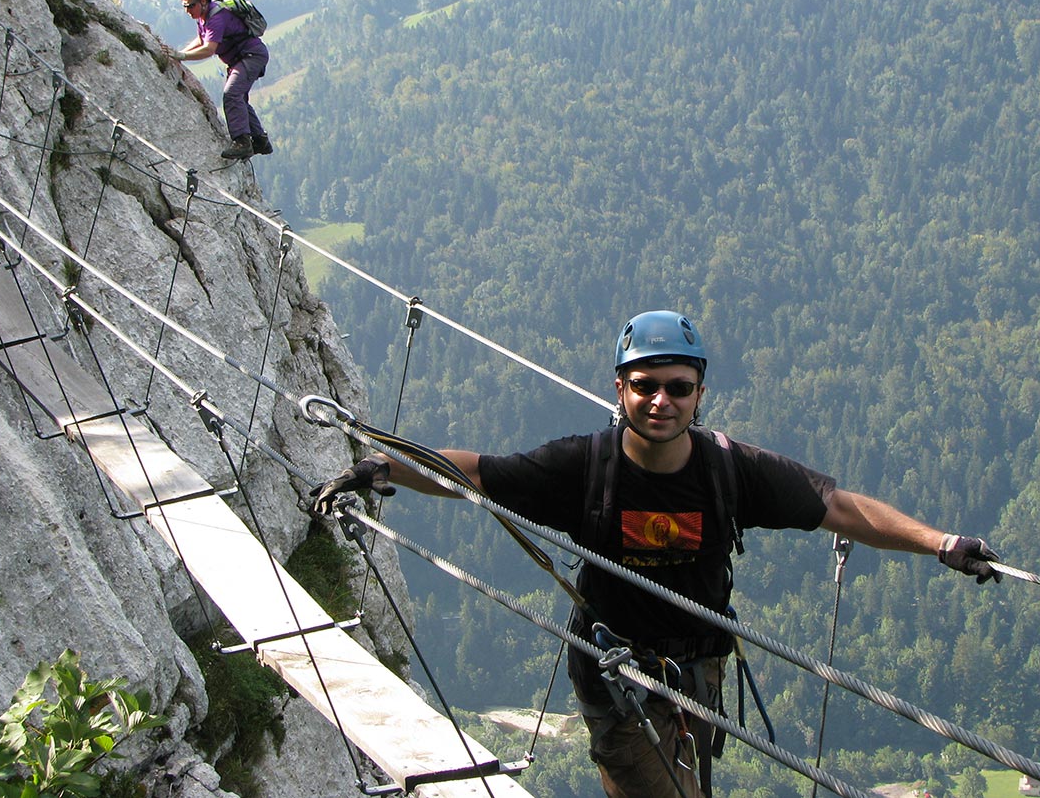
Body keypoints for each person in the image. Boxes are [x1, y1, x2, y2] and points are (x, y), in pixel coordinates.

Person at [311, 310, 1000, 798]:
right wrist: (386, 468)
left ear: (701, 393)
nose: (660, 400)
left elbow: (841, 508)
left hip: (698, 671)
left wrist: (941, 544)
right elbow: (482, 473)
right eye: (645, 384)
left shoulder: (734, 471)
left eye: (676, 386)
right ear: (621, 390)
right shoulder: (585, 467)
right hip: (615, 673)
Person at [169, 0, 273, 160]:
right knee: (238, 97)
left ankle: (242, 142)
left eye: (190, 5)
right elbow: (201, 40)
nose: (187, 10)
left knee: (232, 94)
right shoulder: (204, 17)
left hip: (251, 56)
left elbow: (209, 49)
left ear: (203, 1)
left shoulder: (217, 17)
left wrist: (181, 56)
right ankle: (260, 140)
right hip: (243, 58)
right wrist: (179, 54)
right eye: (184, 6)